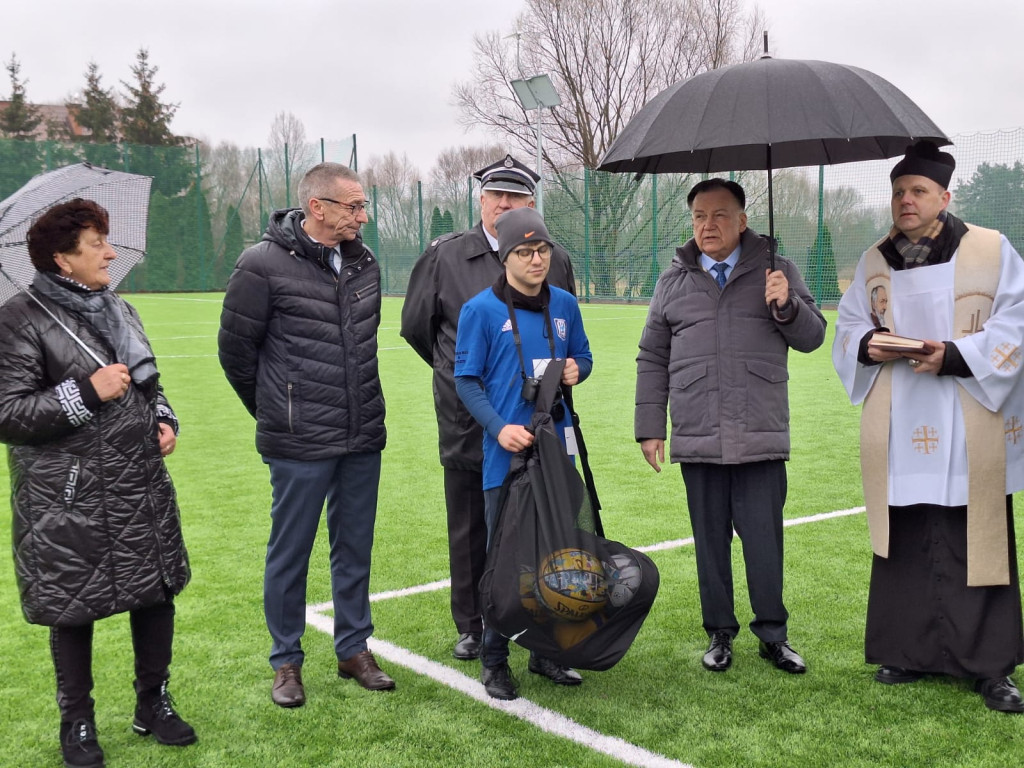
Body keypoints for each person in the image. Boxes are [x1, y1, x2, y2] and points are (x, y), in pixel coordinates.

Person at [0, 199, 195, 768]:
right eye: (96, 244)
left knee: (156, 594)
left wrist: (165, 420)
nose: (110, 252)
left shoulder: (120, 310)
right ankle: (77, 722)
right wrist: (86, 392)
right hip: (68, 496)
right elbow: (8, 413)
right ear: (62, 257)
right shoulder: (19, 318)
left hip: (138, 483)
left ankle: (152, 703)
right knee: (73, 606)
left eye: (109, 239)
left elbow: (148, 384)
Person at [833, 140, 1024, 713]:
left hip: (969, 413)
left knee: (977, 533)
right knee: (908, 535)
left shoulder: (990, 250)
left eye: (917, 191)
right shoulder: (874, 262)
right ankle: (907, 651)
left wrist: (956, 356)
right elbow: (846, 328)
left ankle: (992, 668)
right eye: (898, 193)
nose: (906, 201)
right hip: (903, 418)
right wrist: (868, 344)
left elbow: (1017, 319)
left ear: (945, 195)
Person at [219, 162, 394, 708]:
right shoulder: (261, 264)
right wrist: (277, 410)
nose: (362, 216)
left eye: (363, 206)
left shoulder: (366, 265)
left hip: (362, 432)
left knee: (354, 549)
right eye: (353, 207)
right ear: (317, 207)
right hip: (297, 441)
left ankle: (353, 648)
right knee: (289, 552)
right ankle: (287, 662)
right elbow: (236, 354)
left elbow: (365, 343)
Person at [635, 178, 826, 675]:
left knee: (764, 539)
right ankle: (720, 633)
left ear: (743, 221)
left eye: (719, 215)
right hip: (698, 432)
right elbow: (652, 356)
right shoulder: (671, 281)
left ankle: (773, 635)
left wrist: (787, 305)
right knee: (709, 541)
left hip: (760, 432)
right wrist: (650, 426)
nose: (708, 225)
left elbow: (812, 337)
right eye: (699, 216)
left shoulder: (776, 270)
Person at [401, 154, 576, 661]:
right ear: (480, 200)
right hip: (468, 416)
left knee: (541, 522)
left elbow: (562, 331)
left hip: (537, 423)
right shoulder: (445, 255)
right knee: (472, 526)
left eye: (516, 196)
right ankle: (474, 623)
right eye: (496, 195)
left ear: (530, 203)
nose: (505, 203)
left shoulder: (554, 258)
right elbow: (419, 329)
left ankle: (537, 622)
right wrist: (469, 378)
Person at [454, 207, 593, 700]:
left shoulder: (564, 304)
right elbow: (466, 381)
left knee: (557, 553)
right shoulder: (480, 311)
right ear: (505, 257)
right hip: (507, 456)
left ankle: (546, 654)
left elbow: (585, 357)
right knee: (506, 558)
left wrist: (578, 369)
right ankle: (494, 660)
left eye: (543, 250)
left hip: (559, 451)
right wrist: (499, 427)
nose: (537, 260)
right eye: (525, 252)